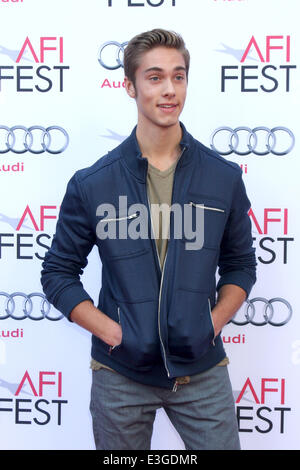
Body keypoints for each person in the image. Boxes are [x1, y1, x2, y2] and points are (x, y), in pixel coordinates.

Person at [41, 29, 256, 450]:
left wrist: (210, 323)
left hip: (201, 368)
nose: (169, 89)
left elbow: (240, 266)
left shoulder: (223, 177)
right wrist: (113, 333)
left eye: (178, 77)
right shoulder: (93, 183)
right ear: (130, 86)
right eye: (155, 77)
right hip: (121, 374)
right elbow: (58, 274)